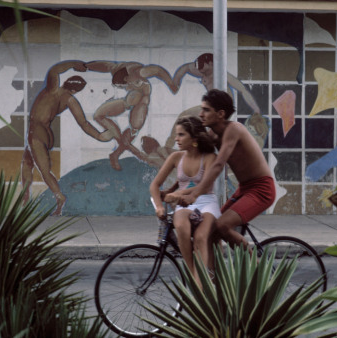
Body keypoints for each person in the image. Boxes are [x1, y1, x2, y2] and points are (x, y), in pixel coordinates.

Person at [179, 89, 276, 253]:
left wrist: (194, 195)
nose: (201, 114)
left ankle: (257, 271)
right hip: (244, 189)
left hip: (261, 189)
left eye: (206, 110)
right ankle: (215, 277)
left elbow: (218, 165)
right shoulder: (213, 135)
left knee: (222, 224)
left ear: (221, 114)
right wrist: (175, 188)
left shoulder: (233, 129)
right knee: (210, 230)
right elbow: (194, 159)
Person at [21, 60, 109, 216]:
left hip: (38, 132)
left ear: (67, 82)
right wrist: (99, 136)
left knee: (44, 170)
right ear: (76, 90)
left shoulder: (53, 90)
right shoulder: (70, 100)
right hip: (44, 133)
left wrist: (74, 63)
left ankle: (59, 197)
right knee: (27, 163)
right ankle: (25, 197)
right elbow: (84, 123)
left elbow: (54, 70)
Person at [150, 116, 219, 283]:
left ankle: (200, 282)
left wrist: (178, 194)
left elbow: (204, 184)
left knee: (202, 238)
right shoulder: (176, 157)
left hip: (207, 201)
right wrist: (159, 207)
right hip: (183, 205)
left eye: (181, 135)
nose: (176, 139)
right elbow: (155, 185)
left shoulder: (209, 157)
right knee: (181, 225)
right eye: (176, 134)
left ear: (194, 138)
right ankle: (192, 273)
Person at [85, 61, 178, 170]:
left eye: (122, 86)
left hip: (142, 100)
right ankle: (121, 146)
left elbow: (158, 70)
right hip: (129, 100)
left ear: (126, 79)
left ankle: (118, 153)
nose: (124, 88)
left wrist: (171, 84)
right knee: (98, 115)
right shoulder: (116, 68)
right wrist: (86, 66)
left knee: (133, 130)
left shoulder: (140, 73)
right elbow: (104, 65)